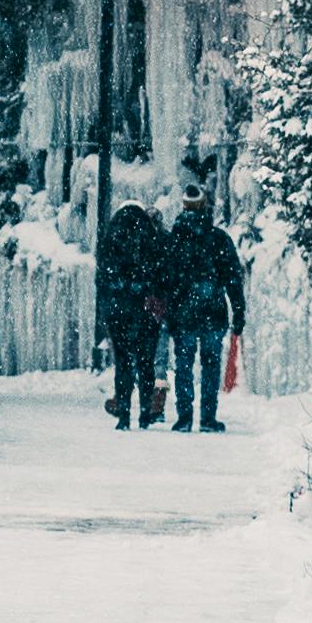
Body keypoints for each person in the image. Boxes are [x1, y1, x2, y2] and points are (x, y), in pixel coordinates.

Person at [158, 169, 246, 438]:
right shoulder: (218, 239)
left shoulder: (174, 240)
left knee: (183, 365)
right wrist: (238, 311)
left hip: (183, 314)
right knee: (210, 365)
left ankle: (185, 416)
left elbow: (164, 279)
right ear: (205, 206)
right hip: (212, 312)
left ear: (184, 206)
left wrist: (166, 311)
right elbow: (233, 278)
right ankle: (208, 417)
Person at [98, 189, 166, 427]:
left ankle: (124, 415)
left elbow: (102, 278)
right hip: (145, 309)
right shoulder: (149, 236)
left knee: (123, 362)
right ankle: (145, 414)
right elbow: (160, 272)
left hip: (119, 309)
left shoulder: (111, 237)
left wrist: (109, 306)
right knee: (146, 362)